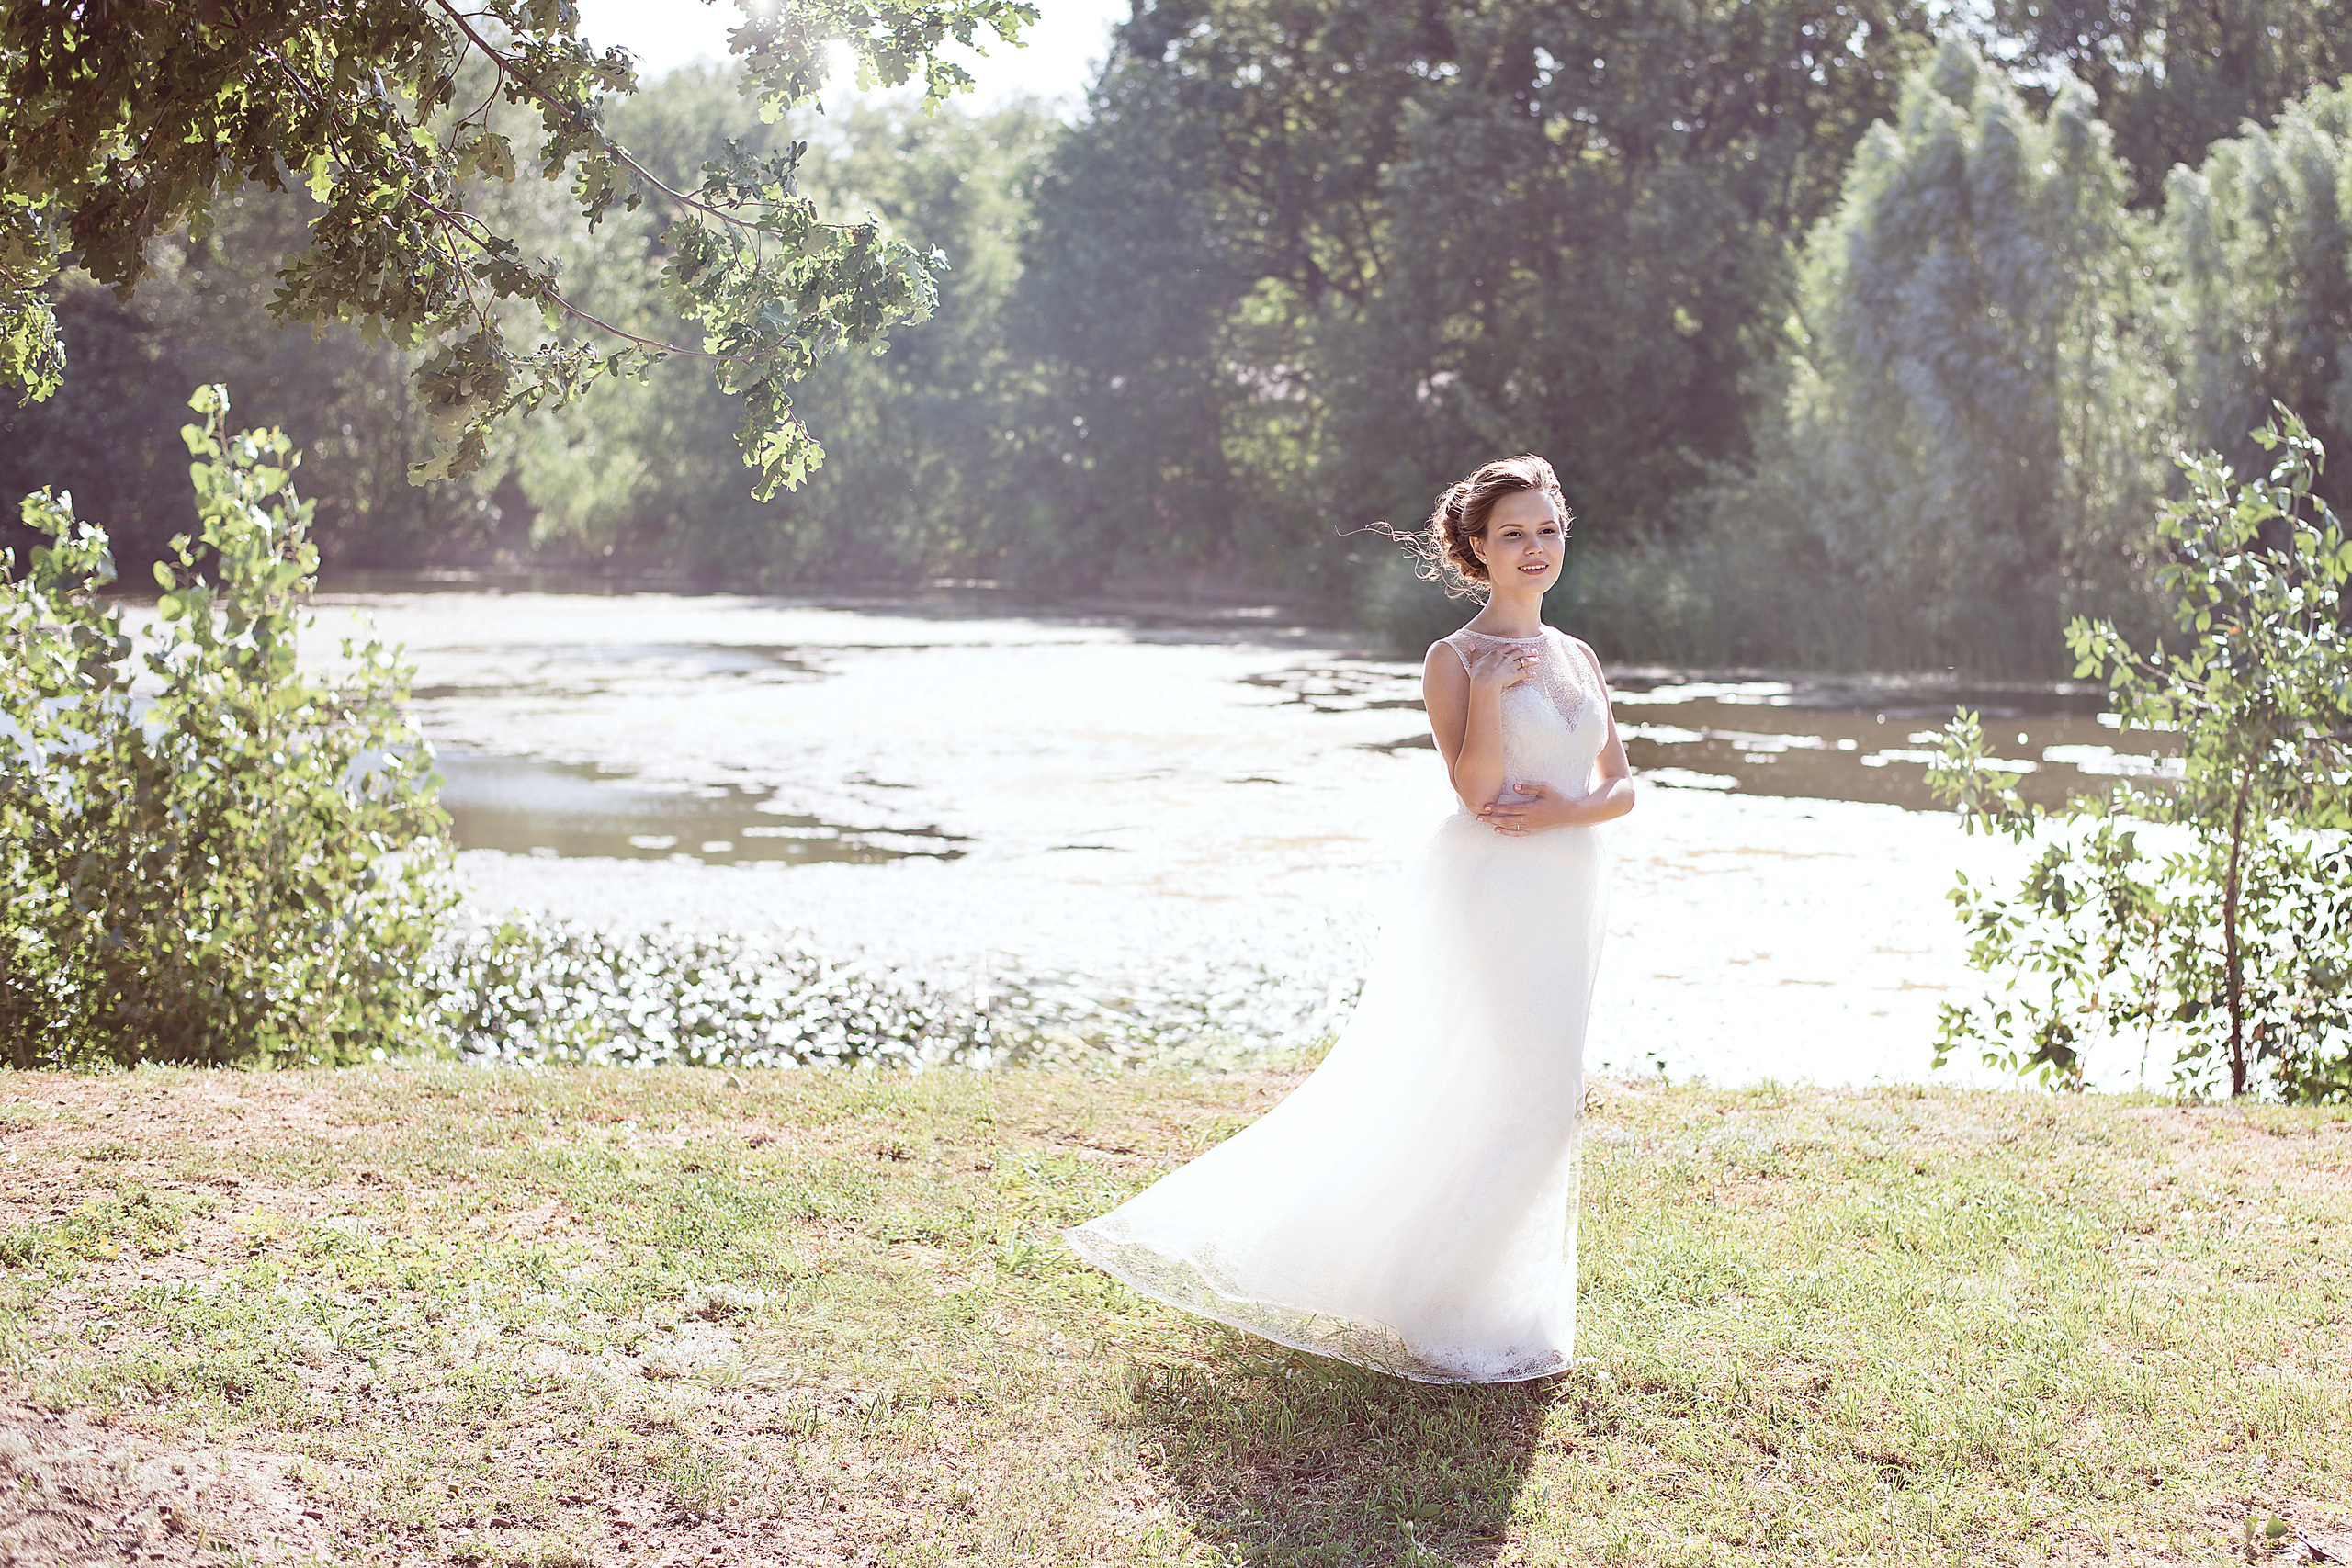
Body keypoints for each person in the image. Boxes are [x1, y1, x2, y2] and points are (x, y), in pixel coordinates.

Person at [1064, 454, 1635, 1382]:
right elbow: (1478, 789)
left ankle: (1497, 1304)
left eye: (1548, 529)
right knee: (1533, 1091)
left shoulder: (1577, 656)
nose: (1535, 550)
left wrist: (1565, 812)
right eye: (1513, 535)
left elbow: (1620, 788)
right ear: (1476, 551)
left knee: (1531, 1093)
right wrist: (1491, 693)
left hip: (1570, 888)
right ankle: (1437, 1305)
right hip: (1492, 891)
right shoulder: (1453, 659)